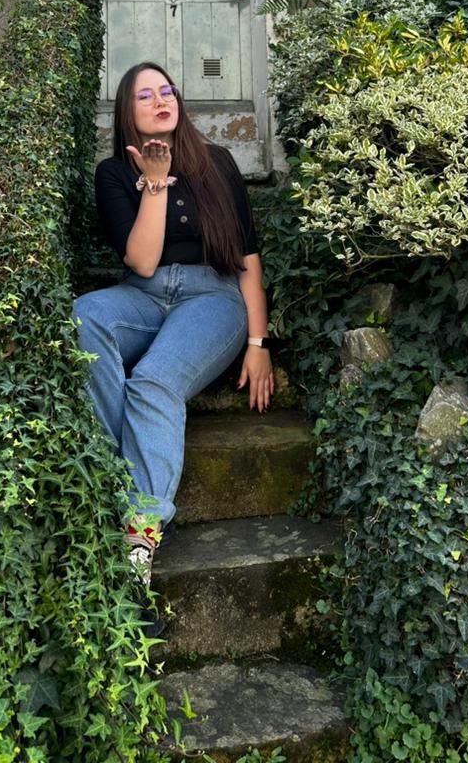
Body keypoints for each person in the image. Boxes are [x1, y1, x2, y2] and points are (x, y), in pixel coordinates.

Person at [74, 61, 274, 586]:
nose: (161, 100)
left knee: (154, 380)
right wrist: (155, 185)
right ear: (127, 112)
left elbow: (248, 260)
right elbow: (142, 263)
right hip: (143, 295)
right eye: (145, 96)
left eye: (167, 91)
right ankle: (121, 472)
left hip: (212, 297)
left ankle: (139, 540)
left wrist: (258, 343)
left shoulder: (218, 163)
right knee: (85, 315)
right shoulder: (114, 173)